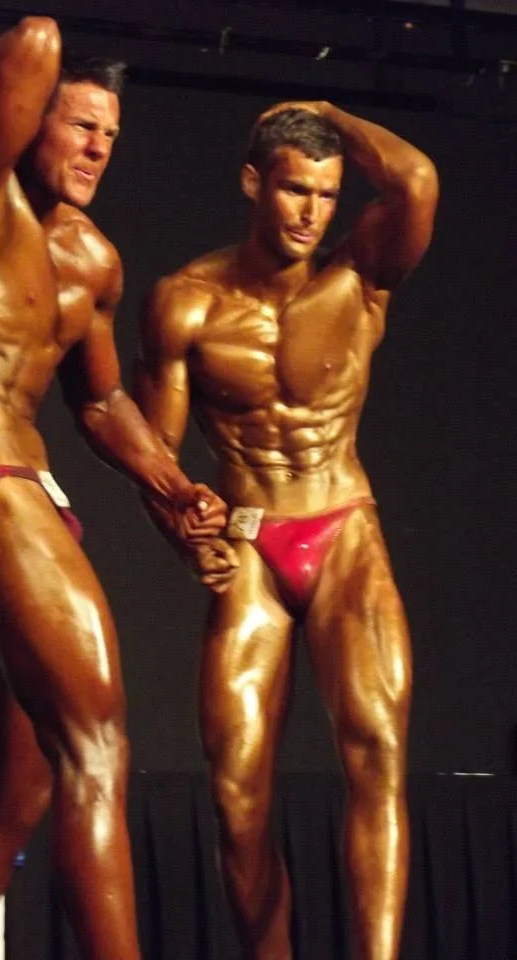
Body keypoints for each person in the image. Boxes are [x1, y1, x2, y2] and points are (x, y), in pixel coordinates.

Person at [0, 17, 228, 960]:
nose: (100, 149)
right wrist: (52, 50)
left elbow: (100, 403)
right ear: (30, 120)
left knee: (19, 791)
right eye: (82, 125)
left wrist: (171, 485)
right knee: (100, 751)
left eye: (112, 135)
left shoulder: (92, 260)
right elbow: (30, 45)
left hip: (21, 499)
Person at [135, 102, 439, 959]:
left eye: (328, 194)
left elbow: (415, 180)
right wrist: (185, 533)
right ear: (252, 184)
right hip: (251, 546)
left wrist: (328, 116)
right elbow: (155, 458)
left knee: (377, 752)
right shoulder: (185, 304)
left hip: (344, 527)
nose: (312, 211)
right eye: (296, 189)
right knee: (236, 795)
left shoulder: (361, 276)